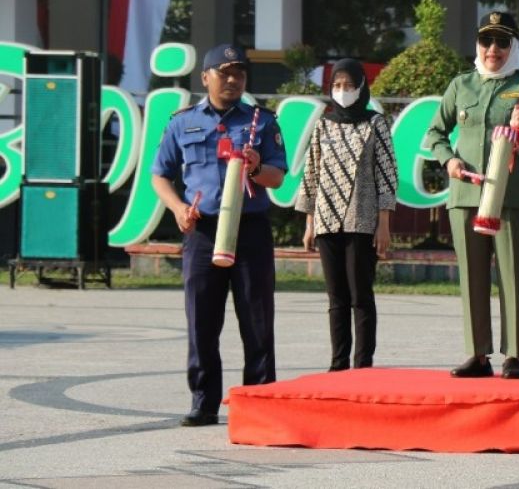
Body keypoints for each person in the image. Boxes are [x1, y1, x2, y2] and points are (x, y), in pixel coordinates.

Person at [152, 44, 288, 427]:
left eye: (239, 74)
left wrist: (257, 167)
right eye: (225, 73)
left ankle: (259, 400)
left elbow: (277, 177)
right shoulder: (182, 122)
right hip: (203, 230)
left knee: (257, 318)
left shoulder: (263, 121)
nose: (232, 80)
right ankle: (204, 400)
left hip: (250, 230)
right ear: (206, 77)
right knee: (202, 319)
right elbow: (159, 174)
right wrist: (178, 208)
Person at [426, 11, 519, 380]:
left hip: (511, 195)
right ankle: (478, 354)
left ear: (513, 47)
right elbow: (435, 133)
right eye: (486, 41)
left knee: (511, 274)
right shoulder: (461, 85)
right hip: (465, 193)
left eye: (502, 42)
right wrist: (448, 160)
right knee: (472, 276)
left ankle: (513, 354)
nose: (493, 49)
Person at [296, 58, 398, 371]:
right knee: (335, 297)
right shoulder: (323, 124)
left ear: (361, 87)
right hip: (327, 220)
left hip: (362, 220)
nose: (343, 91)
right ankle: (338, 363)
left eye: (349, 85)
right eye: (337, 86)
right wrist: (309, 221)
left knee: (360, 295)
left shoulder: (375, 123)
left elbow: (387, 173)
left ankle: (362, 364)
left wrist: (383, 224)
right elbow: (311, 172)